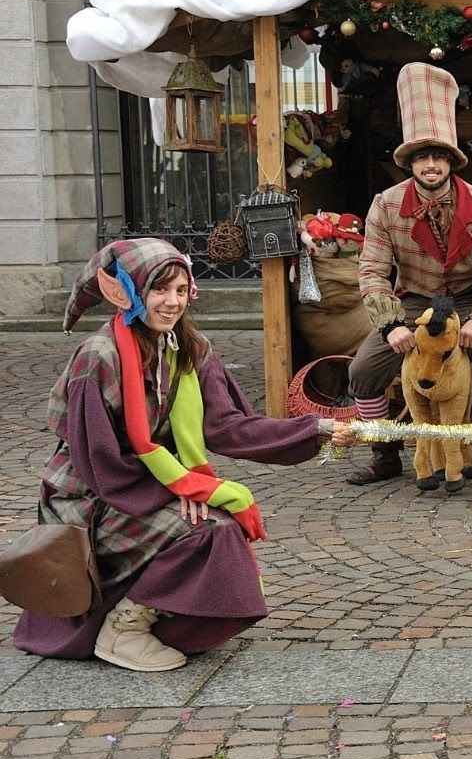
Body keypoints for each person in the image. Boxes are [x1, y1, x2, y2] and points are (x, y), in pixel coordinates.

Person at [13, 238, 354, 671]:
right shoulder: (98, 357)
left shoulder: (189, 348)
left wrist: (316, 429)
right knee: (210, 531)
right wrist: (177, 491)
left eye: (180, 290)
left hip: (151, 481)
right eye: (160, 289)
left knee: (218, 525)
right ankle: (123, 629)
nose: (172, 302)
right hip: (91, 497)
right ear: (132, 291)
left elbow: (228, 427)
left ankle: (153, 622)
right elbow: (99, 461)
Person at [347, 62, 472, 503]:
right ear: (409, 162)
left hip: (469, 301)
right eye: (421, 157)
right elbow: (372, 271)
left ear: (451, 161)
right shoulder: (385, 206)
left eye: (439, 156)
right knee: (363, 370)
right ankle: (385, 453)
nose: (430, 165)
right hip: (414, 301)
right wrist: (391, 324)